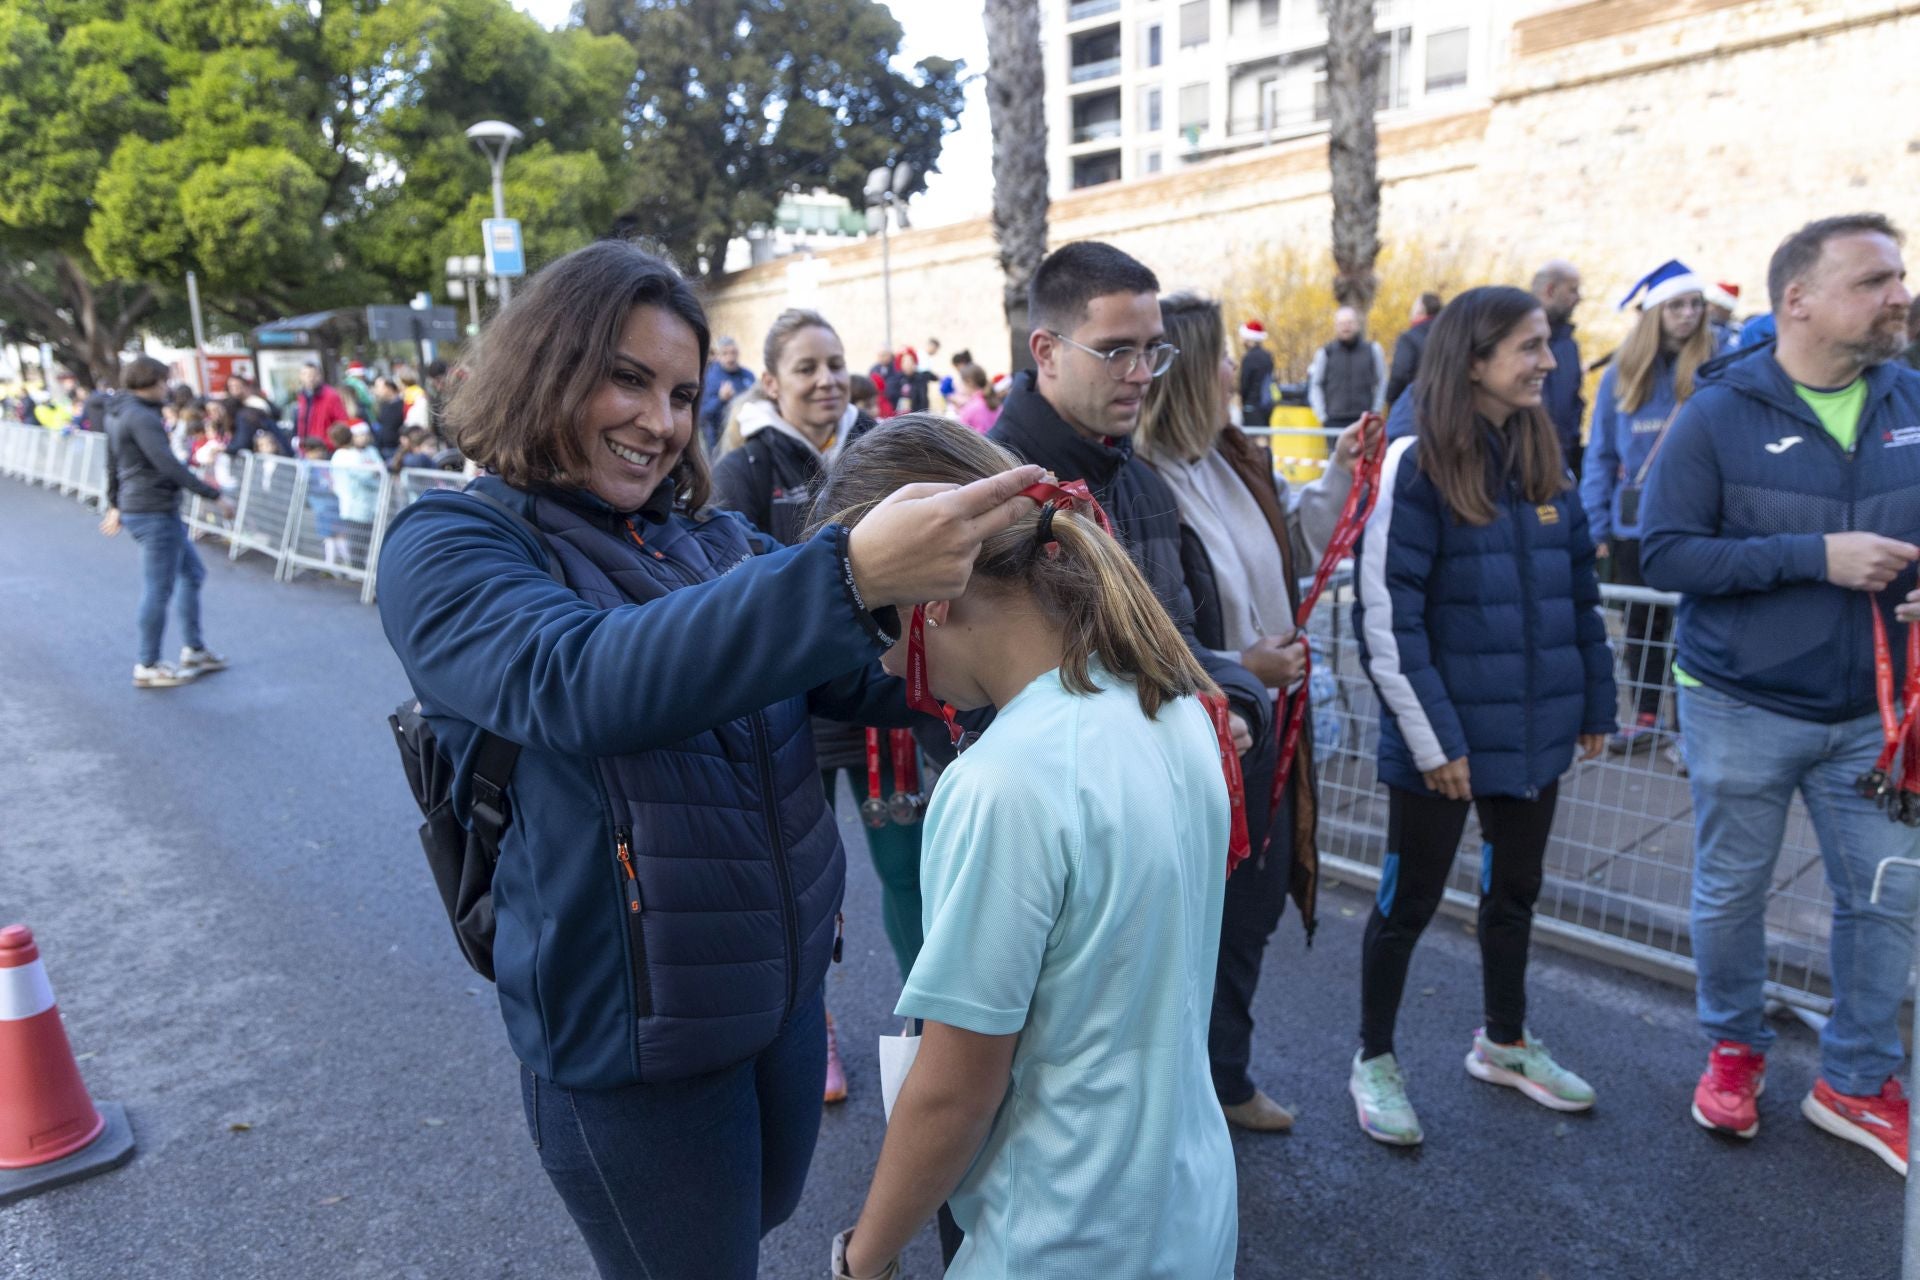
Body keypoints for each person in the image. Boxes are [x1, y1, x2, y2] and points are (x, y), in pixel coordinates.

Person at [375, 240, 1043, 1279]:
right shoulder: (449, 544)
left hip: (771, 1003)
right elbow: (579, 677)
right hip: (631, 1049)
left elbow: (872, 677)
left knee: (754, 1223)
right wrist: (852, 570)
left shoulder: (708, 537)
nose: (659, 420)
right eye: (626, 377)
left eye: (683, 392)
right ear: (545, 363)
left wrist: (1066, 674)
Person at [823, 416, 1238, 1280]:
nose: (889, 665)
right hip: (1187, 1209)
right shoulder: (1175, 708)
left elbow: (955, 1089)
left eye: (874, 624)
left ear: (929, 592)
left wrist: (863, 1257)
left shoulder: (1002, 782)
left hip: (1054, 1236)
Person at [1641, 213, 1920, 1176]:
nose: (1900, 295)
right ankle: (1734, 1048)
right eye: (1875, 280)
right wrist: (1817, 558)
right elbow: (1667, 551)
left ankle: (1856, 1079)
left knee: (1888, 897)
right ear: (1798, 301)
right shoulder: (1718, 412)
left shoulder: (1910, 398)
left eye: (1898, 277)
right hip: (1742, 706)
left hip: (1873, 722)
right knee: (1731, 892)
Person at [1350, 285, 1616, 1145]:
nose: (1548, 360)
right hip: (1443, 745)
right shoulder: (1415, 462)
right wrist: (1435, 744)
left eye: (1546, 344)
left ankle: (1504, 1042)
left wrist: (1595, 704)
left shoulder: (1542, 453)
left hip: (1534, 735)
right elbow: (1388, 617)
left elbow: (1580, 595)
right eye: (1529, 347)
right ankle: (1374, 1059)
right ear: (1473, 359)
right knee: (1408, 905)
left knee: (1515, 896)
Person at [1138, 292, 1376, 1133]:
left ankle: (1223, 1078)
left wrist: (1344, 467)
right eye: (1223, 360)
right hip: (1205, 743)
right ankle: (1182, 1094)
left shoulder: (1231, 459)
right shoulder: (1145, 486)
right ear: (1193, 372)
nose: (1237, 372)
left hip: (1271, 736)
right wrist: (1246, 668)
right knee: (1193, 929)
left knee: (1252, 913)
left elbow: (1300, 543)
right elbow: (1146, 635)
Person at [710, 308, 914, 1106]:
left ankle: (934, 1031)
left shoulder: (883, 450)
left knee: (910, 870)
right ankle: (815, 1029)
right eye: (806, 367)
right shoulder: (747, 470)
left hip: (882, 705)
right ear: (771, 382)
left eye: (835, 362)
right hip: (796, 711)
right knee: (806, 885)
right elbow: (734, 595)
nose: (826, 379)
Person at [988, 242, 1270, 761]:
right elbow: (963, 695)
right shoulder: (989, 491)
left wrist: (1238, 702)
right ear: (1046, 351)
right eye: (1117, 351)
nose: (1142, 373)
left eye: (1153, 350)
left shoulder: (1145, 486)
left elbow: (1178, 646)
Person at [1581, 260, 1713, 768]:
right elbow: (1601, 457)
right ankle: (1648, 716)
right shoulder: (1622, 373)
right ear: (1654, 312)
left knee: (1692, 627)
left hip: (1696, 524)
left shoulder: (1713, 366)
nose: (1687, 314)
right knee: (1640, 626)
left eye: (1694, 304)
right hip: (1632, 524)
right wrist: (1595, 526)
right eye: (1676, 305)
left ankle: (1688, 725)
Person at [100, 355, 230, 688]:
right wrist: (212, 495)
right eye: (164, 381)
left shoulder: (119, 413)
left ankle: (194, 649)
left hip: (142, 506)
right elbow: (166, 464)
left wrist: (115, 503)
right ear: (152, 382)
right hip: (154, 509)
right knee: (159, 589)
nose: (168, 388)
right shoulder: (141, 417)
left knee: (191, 574)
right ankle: (148, 663)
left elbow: (112, 464)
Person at [1531, 259, 1587, 476]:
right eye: (1573, 290)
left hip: (1561, 465)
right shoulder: (1509, 340)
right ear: (1551, 290)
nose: (1579, 298)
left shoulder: (1569, 346)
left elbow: (1573, 402)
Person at [1306, 306, 1386, 432]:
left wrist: (1375, 411)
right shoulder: (1326, 353)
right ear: (1336, 326)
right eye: (1341, 323)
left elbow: (1381, 381)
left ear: (1357, 325)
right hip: (1333, 421)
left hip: (1364, 420)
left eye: (1350, 322)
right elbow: (1315, 384)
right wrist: (1322, 416)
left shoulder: (1373, 350)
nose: (1346, 327)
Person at [330, 422, 385, 566]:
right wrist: (375, 474)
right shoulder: (347, 455)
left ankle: (359, 568)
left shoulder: (369, 451)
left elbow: (378, 469)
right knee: (357, 541)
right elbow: (364, 474)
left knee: (365, 540)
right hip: (356, 505)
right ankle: (355, 569)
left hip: (367, 504)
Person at [1386, 291, 1443, 407]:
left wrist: (1391, 400)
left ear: (1420, 310)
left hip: (1416, 406)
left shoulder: (1408, 338)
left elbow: (1400, 374)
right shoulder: (1451, 336)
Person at [699, 336, 756, 452]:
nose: (730, 357)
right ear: (718, 356)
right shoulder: (709, 378)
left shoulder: (748, 376)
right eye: (725, 353)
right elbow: (701, 415)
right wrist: (720, 399)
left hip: (747, 439)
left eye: (733, 353)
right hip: (718, 443)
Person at [294, 362, 350, 448]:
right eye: (305, 374)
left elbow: (342, 422)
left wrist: (330, 443)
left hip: (325, 449)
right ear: (300, 377)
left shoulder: (331, 396)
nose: (310, 378)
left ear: (319, 376)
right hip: (307, 449)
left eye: (313, 374)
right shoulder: (302, 397)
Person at [1238, 317, 1275, 427]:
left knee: (1253, 439)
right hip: (1266, 405)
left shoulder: (1249, 358)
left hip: (1251, 405)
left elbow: (1244, 384)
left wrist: (1243, 400)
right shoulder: (1268, 356)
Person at [884, 347, 935, 415]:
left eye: (910, 361)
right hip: (899, 416)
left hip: (918, 415)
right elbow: (891, 397)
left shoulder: (921, 378)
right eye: (905, 361)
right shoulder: (894, 380)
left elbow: (923, 400)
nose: (908, 364)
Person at [954, 364, 1001, 433]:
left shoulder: (970, 408)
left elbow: (960, 435)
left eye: (961, 382)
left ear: (969, 382)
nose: (959, 386)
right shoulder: (995, 403)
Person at [372, 376, 407, 455]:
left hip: (397, 449)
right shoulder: (383, 405)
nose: (376, 391)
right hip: (383, 448)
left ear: (388, 388)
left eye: (378, 387)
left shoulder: (402, 405)